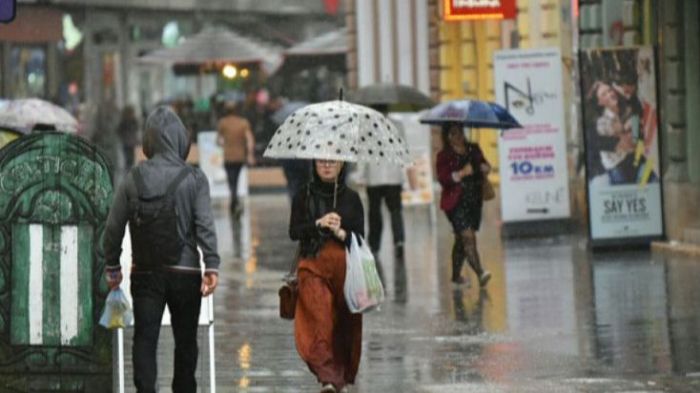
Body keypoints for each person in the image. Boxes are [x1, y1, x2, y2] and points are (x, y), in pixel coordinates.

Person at [103, 106, 220, 393]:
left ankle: (145, 389)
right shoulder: (194, 178)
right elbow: (205, 225)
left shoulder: (133, 178)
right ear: (181, 139)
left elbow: (113, 228)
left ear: (148, 141)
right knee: (185, 339)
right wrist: (212, 265)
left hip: (145, 272)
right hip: (186, 272)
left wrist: (112, 266)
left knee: (145, 337)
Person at [289, 159, 364, 393]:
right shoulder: (303, 195)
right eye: (322, 160)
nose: (327, 165)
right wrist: (318, 224)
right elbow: (294, 232)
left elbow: (361, 238)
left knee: (342, 324)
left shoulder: (351, 198)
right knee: (319, 320)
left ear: (342, 165)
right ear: (314, 164)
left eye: (333, 161)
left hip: (345, 270)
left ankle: (338, 376)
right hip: (312, 266)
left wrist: (342, 233)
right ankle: (327, 377)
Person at [350, 104, 406, 281]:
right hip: (393, 177)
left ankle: (375, 245)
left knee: (375, 213)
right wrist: (402, 174)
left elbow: (363, 155)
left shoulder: (366, 127)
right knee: (395, 211)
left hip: (374, 177)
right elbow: (403, 151)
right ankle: (399, 241)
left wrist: (360, 175)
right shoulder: (398, 125)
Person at [436, 123, 492, 287]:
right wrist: (460, 173)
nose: (458, 136)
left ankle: (455, 276)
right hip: (455, 203)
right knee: (468, 236)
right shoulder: (444, 156)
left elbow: (486, 165)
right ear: (447, 136)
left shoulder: (473, 149)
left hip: (474, 201)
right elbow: (443, 179)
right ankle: (480, 272)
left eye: (459, 132)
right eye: (453, 133)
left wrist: (485, 168)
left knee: (461, 240)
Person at [216, 101, 255, 217]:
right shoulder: (243, 123)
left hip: (228, 157)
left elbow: (218, 140)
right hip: (240, 157)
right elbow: (250, 140)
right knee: (236, 179)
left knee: (231, 180)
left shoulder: (222, 123)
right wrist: (250, 155)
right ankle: (235, 200)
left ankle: (234, 201)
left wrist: (226, 144)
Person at [117, 105, 140, 169]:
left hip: (132, 143)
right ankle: (128, 170)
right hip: (126, 143)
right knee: (128, 158)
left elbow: (136, 130)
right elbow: (119, 131)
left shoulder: (134, 121)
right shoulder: (124, 122)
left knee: (132, 158)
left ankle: (130, 169)